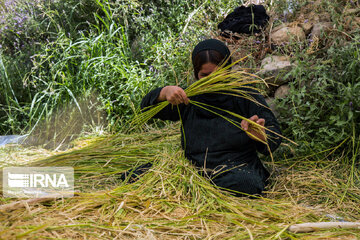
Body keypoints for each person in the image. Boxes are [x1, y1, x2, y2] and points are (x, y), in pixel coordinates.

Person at [138, 39, 281, 196]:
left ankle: (198, 192)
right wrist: (164, 92)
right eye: (204, 75)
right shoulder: (187, 98)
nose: (212, 80)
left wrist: (261, 136)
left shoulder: (245, 95)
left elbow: (274, 135)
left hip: (237, 168)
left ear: (228, 70)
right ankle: (197, 190)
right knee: (138, 176)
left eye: (218, 74)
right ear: (196, 74)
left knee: (246, 184)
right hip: (193, 169)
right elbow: (146, 110)